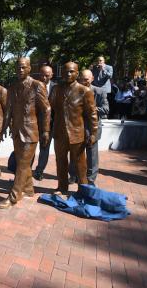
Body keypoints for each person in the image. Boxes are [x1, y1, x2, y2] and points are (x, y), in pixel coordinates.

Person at [0, 58, 51, 209]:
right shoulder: (12, 87)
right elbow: (8, 111)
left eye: (23, 67)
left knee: (22, 164)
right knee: (23, 163)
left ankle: (13, 197)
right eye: (18, 67)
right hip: (16, 131)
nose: (20, 70)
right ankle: (28, 189)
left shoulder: (37, 85)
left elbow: (46, 109)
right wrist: (4, 128)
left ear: (29, 69)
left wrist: (45, 130)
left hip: (31, 131)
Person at [49, 62, 98, 195]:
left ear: (77, 74)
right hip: (59, 133)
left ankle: (83, 189)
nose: (68, 74)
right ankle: (62, 187)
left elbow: (92, 114)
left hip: (77, 134)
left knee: (80, 165)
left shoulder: (84, 91)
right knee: (61, 162)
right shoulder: (56, 89)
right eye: (65, 71)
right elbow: (49, 107)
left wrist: (93, 133)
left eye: (71, 71)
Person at [68, 69, 109, 185]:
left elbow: (106, 109)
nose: (84, 81)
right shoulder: (75, 91)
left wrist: (92, 109)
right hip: (77, 127)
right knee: (75, 153)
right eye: (81, 79)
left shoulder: (100, 92)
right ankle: (73, 176)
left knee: (92, 155)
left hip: (92, 128)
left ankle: (91, 179)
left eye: (86, 79)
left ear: (92, 79)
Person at [32, 65, 56, 181]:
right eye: (42, 75)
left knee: (44, 149)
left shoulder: (56, 88)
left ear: (51, 75)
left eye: (47, 75)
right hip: (34, 123)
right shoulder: (33, 86)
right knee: (30, 147)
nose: (44, 78)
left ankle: (39, 171)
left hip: (49, 124)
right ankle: (26, 170)